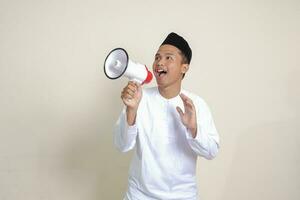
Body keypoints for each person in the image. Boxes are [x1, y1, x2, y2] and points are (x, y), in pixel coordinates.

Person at [114, 32, 220, 200]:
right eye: (157, 57)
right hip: (139, 195)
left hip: (183, 196)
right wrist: (131, 111)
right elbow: (122, 145)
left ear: (184, 67)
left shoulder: (196, 104)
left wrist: (193, 129)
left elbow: (212, 151)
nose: (159, 62)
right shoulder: (139, 98)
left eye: (168, 58)